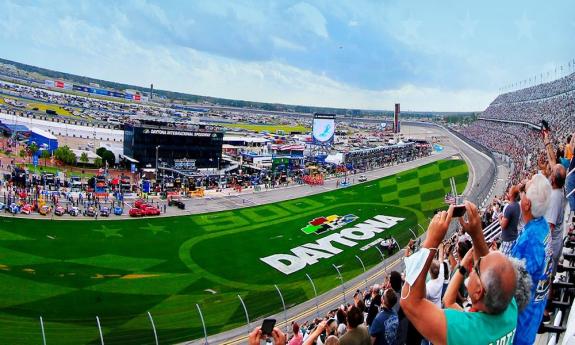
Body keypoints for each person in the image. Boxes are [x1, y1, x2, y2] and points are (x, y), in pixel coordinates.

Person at [400, 203, 519, 345]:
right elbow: (489, 269)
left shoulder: (465, 332)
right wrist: (476, 234)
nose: (474, 265)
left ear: (478, 291)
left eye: (475, 268)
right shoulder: (509, 305)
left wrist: (432, 240)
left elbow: (409, 302)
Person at [511, 173, 553, 345]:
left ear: (527, 204)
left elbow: (510, 288)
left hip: (521, 324)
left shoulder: (528, 241)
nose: (521, 192)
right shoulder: (542, 225)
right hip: (535, 310)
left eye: (523, 191)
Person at [499, 186, 521, 256]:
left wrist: (500, 218)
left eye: (509, 191)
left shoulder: (509, 207)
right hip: (513, 237)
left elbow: (503, 225)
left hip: (507, 240)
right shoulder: (517, 205)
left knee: (504, 262)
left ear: (511, 194)